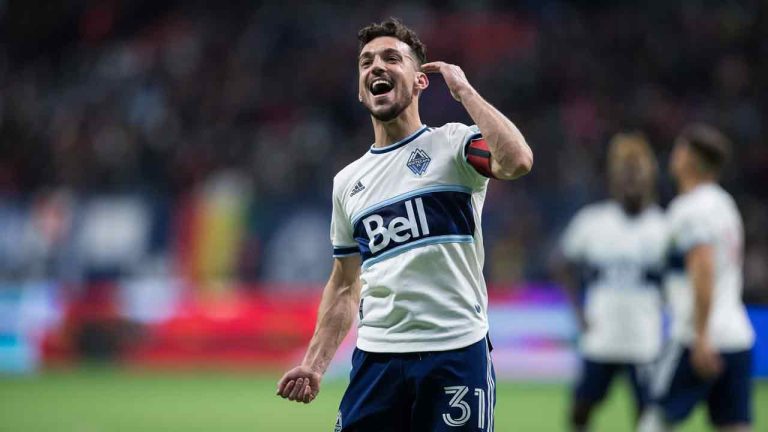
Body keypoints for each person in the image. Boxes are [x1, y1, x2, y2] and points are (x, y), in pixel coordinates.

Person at [275, 18, 532, 431]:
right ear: (361, 91)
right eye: (366, 62)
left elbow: (517, 161)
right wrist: (315, 364)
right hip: (377, 361)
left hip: (455, 352)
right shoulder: (348, 183)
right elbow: (344, 284)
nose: (376, 66)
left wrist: (464, 92)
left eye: (392, 58)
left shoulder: (455, 145)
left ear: (419, 81)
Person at [638, 124, 754, 432]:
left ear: (690, 158)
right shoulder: (725, 205)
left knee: (653, 422)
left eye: (679, 149)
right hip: (737, 336)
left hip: (696, 338)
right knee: (734, 425)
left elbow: (703, 268)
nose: (673, 156)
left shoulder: (690, 209)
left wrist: (702, 336)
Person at [557, 133, 666, 431]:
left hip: (644, 340)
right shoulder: (593, 222)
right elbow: (561, 263)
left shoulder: (663, 227)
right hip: (601, 336)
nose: (632, 182)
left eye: (637, 174)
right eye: (625, 175)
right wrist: (578, 312)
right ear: (614, 181)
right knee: (580, 409)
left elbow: (677, 276)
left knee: (648, 415)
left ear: (649, 179)